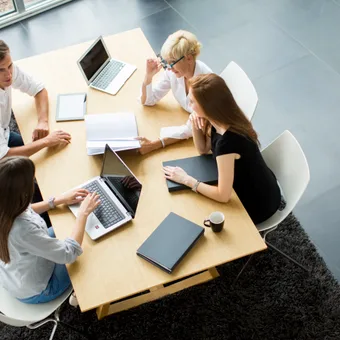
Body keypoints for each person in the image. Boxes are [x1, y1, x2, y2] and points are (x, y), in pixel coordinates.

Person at [162, 74, 281, 224]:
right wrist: (195, 123)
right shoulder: (225, 118)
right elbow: (203, 149)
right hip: (262, 184)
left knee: (193, 212)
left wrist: (187, 180)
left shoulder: (227, 142)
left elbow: (223, 196)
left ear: (207, 106)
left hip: (257, 204)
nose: (189, 104)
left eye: (192, 102)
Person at [0, 156, 101, 304]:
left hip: (15, 275)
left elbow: (26, 210)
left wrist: (57, 200)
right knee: (93, 250)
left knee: (69, 226)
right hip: (41, 289)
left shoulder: (6, 204)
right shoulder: (23, 230)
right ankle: (83, 294)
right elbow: (69, 253)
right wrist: (83, 213)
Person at [139, 30, 212, 155]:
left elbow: (189, 130)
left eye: (172, 62)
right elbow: (148, 100)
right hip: (189, 121)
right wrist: (148, 77)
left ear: (189, 58)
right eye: (166, 62)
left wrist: (155, 144)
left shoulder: (205, 85)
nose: (168, 68)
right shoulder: (174, 71)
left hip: (206, 133)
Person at [0, 40, 71, 159]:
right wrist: (47, 141)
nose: (9, 75)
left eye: (10, 66)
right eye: (1, 70)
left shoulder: (8, 70)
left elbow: (38, 89)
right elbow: (3, 157)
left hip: (4, 131)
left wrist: (43, 121)